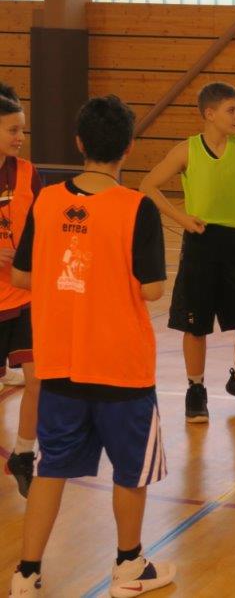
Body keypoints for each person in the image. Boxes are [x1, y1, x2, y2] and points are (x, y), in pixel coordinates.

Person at [8, 95, 175, 596]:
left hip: (60, 364)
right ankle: (128, 566)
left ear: (79, 143)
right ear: (128, 147)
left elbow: (22, 274)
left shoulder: (47, 200)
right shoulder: (137, 207)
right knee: (131, 473)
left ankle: (26, 574)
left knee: (51, 468)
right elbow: (152, 289)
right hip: (121, 368)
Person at [140, 82, 235, 423]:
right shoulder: (186, 150)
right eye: (232, 110)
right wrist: (181, 218)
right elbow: (148, 186)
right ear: (210, 114)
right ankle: (196, 389)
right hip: (201, 243)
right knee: (196, 324)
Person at [0, 83, 42, 497]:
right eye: (13, 129)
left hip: (25, 295)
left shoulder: (29, 173)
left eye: (22, 130)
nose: (20, 137)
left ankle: (24, 454)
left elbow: (44, 225)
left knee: (38, 379)